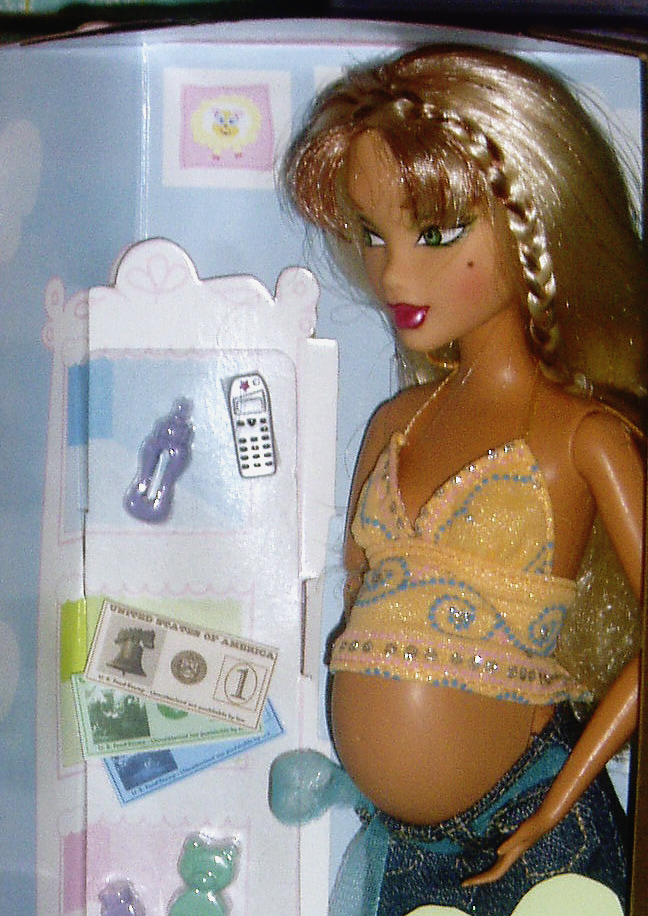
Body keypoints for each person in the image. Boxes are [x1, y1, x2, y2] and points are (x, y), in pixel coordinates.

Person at [281, 44, 646, 915]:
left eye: (437, 233)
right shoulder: (395, 422)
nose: (393, 273)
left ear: (533, 224)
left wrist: (560, 799)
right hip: (402, 847)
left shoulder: (580, 435)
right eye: (373, 234)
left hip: (531, 829)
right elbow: (360, 601)